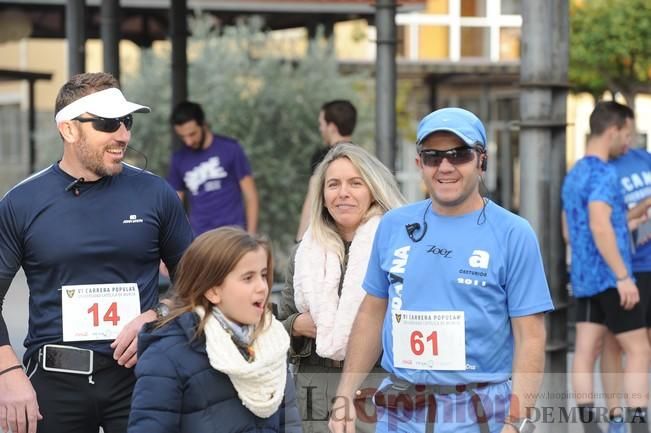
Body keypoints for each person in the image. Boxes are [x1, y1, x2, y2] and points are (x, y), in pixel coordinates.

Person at [329, 107, 554, 433]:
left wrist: (515, 422)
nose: (445, 166)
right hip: (399, 410)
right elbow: (371, 314)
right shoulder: (394, 225)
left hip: (478, 413)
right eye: (433, 156)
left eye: (459, 154)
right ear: (419, 163)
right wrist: (345, 397)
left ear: (481, 160)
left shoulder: (513, 233)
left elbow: (531, 336)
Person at [0, 72, 193, 433]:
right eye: (108, 123)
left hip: (143, 376)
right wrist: (7, 373)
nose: (123, 134)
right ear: (68, 130)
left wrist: (158, 314)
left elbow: (199, 281)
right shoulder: (21, 203)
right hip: (54, 381)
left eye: (127, 121)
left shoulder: (156, 194)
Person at [278, 143, 405, 433]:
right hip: (313, 390)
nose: (343, 193)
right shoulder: (305, 253)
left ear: (373, 188)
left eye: (355, 183)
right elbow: (276, 327)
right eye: (333, 184)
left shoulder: (399, 248)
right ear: (322, 196)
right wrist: (297, 325)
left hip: (377, 389)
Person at [127, 227, 301, 433]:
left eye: (263, 275)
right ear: (213, 290)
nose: (262, 286)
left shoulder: (272, 345)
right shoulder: (166, 357)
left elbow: (289, 425)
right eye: (248, 278)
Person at [562, 101, 651, 433]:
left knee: (585, 352)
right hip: (611, 278)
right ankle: (638, 426)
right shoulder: (604, 173)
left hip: (584, 279)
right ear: (612, 131)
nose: (627, 143)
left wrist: (630, 217)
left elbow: (571, 230)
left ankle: (591, 428)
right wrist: (623, 275)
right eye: (626, 136)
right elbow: (600, 225)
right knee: (639, 349)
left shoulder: (574, 174)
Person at [168, 101, 259, 235]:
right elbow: (174, 206)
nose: (188, 141)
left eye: (192, 134)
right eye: (182, 137)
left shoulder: (231, 149)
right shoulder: (178, 159)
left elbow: (251, 196)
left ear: (203, 124)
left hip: (234, 237)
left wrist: (251, 237)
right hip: (200, 240)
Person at [295, 100, 357, 242]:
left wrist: (300, 238)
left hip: (328, 232)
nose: (321, 129)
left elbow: (313, 196)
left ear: (332, 127)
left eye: (321, 124)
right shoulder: (360, 156)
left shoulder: (324, 156)